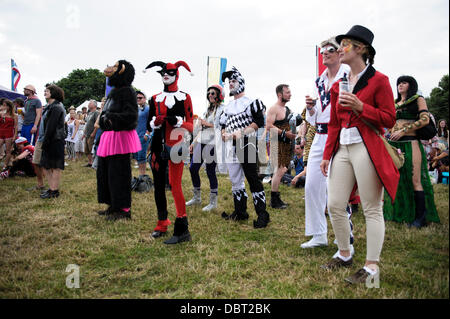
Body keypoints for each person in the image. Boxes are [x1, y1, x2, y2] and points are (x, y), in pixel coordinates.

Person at [319, 25, 399, 284]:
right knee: (334, 204)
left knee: (372, 208)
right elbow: (333, 123)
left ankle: (371, 267)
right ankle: (344, 253)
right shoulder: (338, 84)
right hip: (342, 146)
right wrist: (326, 154)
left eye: (345, 45)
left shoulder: (380, 80)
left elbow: (389, 118)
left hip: (367, 147)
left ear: (361, 49)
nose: (340, 49)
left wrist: (362, 107)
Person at [301, 37, 350, 249]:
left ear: (339, 52)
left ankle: (345, 239)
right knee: (312, 185)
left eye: (330, 49)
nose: (325, 53)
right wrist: (311, 108)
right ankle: (319, 234)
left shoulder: (347, 75)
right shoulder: (318, 81)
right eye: (322, 51)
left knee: (338, 189)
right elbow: (313, 117)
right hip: (319, 135)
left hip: (341, 135)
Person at [144, 60, 194, 244]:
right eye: (163, 72)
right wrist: (154, 123)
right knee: (158, 185)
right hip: (158, 145)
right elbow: (149, 123)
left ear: (176, 75)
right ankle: (162, 222)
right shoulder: (154, 98)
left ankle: (182, 228)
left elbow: (191, 125)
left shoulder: (185, 97)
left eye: (170, 72)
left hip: (177, 144)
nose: (166, 75)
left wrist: (177, 121)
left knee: (175, 184)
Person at [383, 75, 440, 227]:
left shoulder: (418, 99)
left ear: (411, 85)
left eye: (404, 82)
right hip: (394, 144)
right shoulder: (394, 103)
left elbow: (425, 119)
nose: (400, 85)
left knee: (415, 179)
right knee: (397, 179)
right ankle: (400, 213)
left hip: (411, 142)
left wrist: (404, 130)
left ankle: (420, 218)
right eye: (398, 83)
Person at [219, 66, 270, 229]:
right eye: (229, 82)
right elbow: (223, 123)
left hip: (246, 143)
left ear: (241, 82)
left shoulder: (251, 102)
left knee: (252, 179)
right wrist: (224, 132)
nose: (231, 84)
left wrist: (238, 134)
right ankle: (240, 212)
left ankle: (263, 215)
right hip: (231, 145)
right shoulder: (227, 107)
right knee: (235, 179)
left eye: (233, 81)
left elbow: (258, 123)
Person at [96, 60, 140, 221]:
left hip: (120, 137)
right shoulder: (113, 93)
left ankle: (124, 209)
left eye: (116, 67)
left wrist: (112, 118)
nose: (111, 69)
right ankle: (113, 205)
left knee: (119, 173)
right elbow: (104, 114)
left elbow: (131, 117)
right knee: (106, 173)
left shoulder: (128, 92)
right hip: (109, 136)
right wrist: (104, 120)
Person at [185, 84, 225, 211]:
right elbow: (202, 130)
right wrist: (193, 143)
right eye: (209, 93)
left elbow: (222, 128)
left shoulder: (223, 109)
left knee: (210, 170)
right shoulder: (208, 109)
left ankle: (213, 202)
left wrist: (206, 123)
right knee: (193, 168)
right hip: (202, 141)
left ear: (219, 95)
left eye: (213, 93)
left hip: (213, 143)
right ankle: (197, 197)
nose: (210, 95)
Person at [266, 84, 301, 209]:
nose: (290, 94)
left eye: (290, 92)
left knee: (283, 170)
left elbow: (293, 123)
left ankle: (275, 198)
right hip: (276, 143)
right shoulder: (273, 109)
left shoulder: (287, 110)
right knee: (279, 171)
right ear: (280, 94)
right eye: (287, 92)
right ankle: (274, 200)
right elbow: (269, 126)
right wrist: (285, 133)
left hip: (286, 144)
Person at [40, 85, 67, 199]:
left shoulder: (56, 107)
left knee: (55, 166)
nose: (45, 92)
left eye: (47, 91)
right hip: (51, 139)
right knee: (46, 165)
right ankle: (52, 188)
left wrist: (45, 141)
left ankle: (54, 190)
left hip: (54, 140)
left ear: (54, 93)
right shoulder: (51, 106)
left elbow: (51, 126)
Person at [132, 91, 152, 190]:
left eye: (140, 98)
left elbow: (151, 122)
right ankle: (140, 177)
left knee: (141, 157)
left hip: (143, 137)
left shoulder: (148, 109)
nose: (138, 99)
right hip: (134, 136)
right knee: (137, 157)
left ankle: (142, 176)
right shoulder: (135, 109)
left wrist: (147, 134)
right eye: (137, 98)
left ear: (144, 99)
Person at [0, 99, 18, 170]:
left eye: (5, 105)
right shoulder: (1, 113)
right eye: (3, 105)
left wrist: (15, 135)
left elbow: (16, 126)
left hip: (9, 133)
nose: (3, 107)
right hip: (1, 132)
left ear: (9, 107)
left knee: (8, 151)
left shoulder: (14, 115)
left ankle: (5, 165)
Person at [83, 100, 100, 167]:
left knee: (91, 149)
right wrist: (84, 133)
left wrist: (93, 133)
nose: (89, 104)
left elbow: (97, 123)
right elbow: (87, 123)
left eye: (90, 103)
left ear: (94, 105)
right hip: (87, 134)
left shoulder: (96, 113)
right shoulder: (89, 113)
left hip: (92, 134)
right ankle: (90, 162)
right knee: (86, 150)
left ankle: (93, 163)